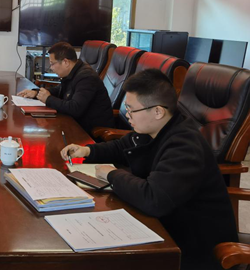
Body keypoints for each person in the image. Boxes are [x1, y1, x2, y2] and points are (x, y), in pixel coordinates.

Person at [61, 69, 238, 270]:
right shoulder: (155, 129)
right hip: (165, 226)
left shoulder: (185, 145)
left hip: (195, 249)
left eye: (131, 109)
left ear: (158, 111)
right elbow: (121, 147)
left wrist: (112, 175)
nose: (128, 115)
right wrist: (87, 150)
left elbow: (154, 199)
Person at [18, 42, 113, 133]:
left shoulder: (86, 77)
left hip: (90, 132)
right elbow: (59, 90)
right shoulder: (73, 71)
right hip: (74, 124)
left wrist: (48, 99)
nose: (51, 68)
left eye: (52, 63)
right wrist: (36, 93)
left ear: (65, 62)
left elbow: (75, 109)